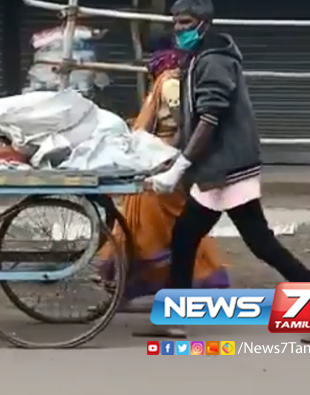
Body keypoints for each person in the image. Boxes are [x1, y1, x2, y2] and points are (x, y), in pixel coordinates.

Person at [144, 0, 310, 342]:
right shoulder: (198, 57)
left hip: (227, 168)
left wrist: (180, 166)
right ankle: (173, 318)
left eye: (184, 22)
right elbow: (193, 118)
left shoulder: (214, 61)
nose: (177, 29)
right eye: (175, 22)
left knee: (257, 242)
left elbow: (210, 118)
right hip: (217, 168)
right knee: (189, 236)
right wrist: (172, 156)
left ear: (204, 23)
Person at [97, 33, 229, 324]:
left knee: (154, 232)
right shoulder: (169, 80)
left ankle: (178, 296)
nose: (147, 61)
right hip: (156, 163)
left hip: (163, 166)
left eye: (150, 54)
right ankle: (147, 294)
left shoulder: (170, 82)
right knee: (157, 230)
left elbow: (186, 125)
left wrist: (165, 156)